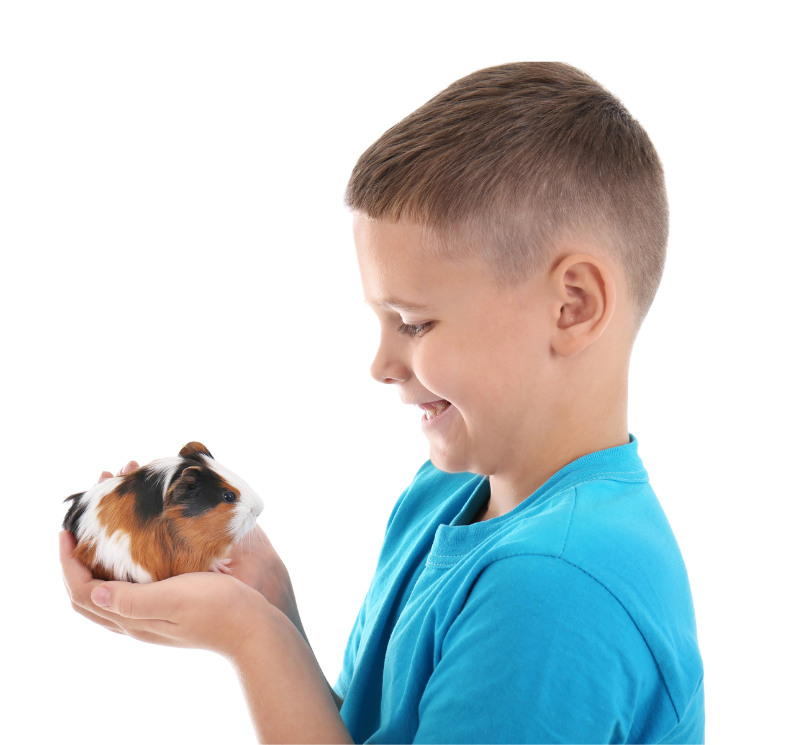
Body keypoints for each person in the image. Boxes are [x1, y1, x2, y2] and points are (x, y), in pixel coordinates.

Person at [59, 61, 706, 744]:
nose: (382, 363)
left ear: (572, 305)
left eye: (416, 322)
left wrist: (251, 637)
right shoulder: (448, 488)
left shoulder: (554, 589)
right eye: (377, 319)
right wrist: (269, 605)